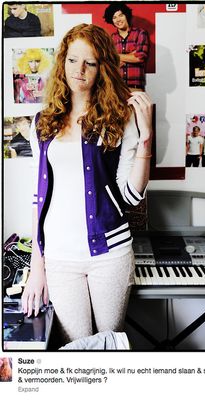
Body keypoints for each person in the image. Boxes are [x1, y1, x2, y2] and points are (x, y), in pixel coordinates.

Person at [22, 24, 153, 344]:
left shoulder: (119, 119)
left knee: (109, 347)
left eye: (90, 63)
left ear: (102, 69)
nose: (79, 69)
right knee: (76, 352)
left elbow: (130, 195)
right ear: (62, 61)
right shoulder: (42, 122)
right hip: (59, 258)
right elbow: (41, 198)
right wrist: (36, 267)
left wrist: (146, 140)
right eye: (72, 59)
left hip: (109, 255)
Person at [103, 2, 149, 91]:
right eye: (114, 17)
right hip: (116, 87)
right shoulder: (111, 39)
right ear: (111, 20)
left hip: (135, 88)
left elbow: (140, 58)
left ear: (126, 15)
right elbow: (109, 64)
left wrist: (116, 56)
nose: (118, 20)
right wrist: (131, 55)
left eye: (120, 15)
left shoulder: (140, 33)